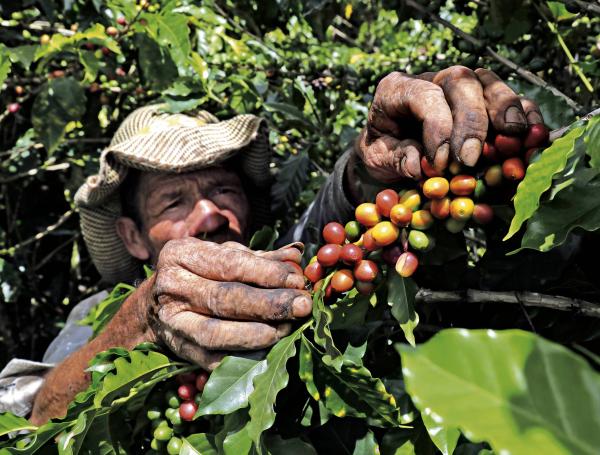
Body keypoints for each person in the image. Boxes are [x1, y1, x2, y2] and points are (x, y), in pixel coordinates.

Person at [0, 67, 544, 425]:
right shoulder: (98, 316)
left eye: (222, 189)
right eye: (173, 202)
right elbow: (27, 415)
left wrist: (371, 167)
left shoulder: (286, 266)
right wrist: (137, 324)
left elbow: (333, 227)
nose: (210, 214)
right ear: (133, 236)